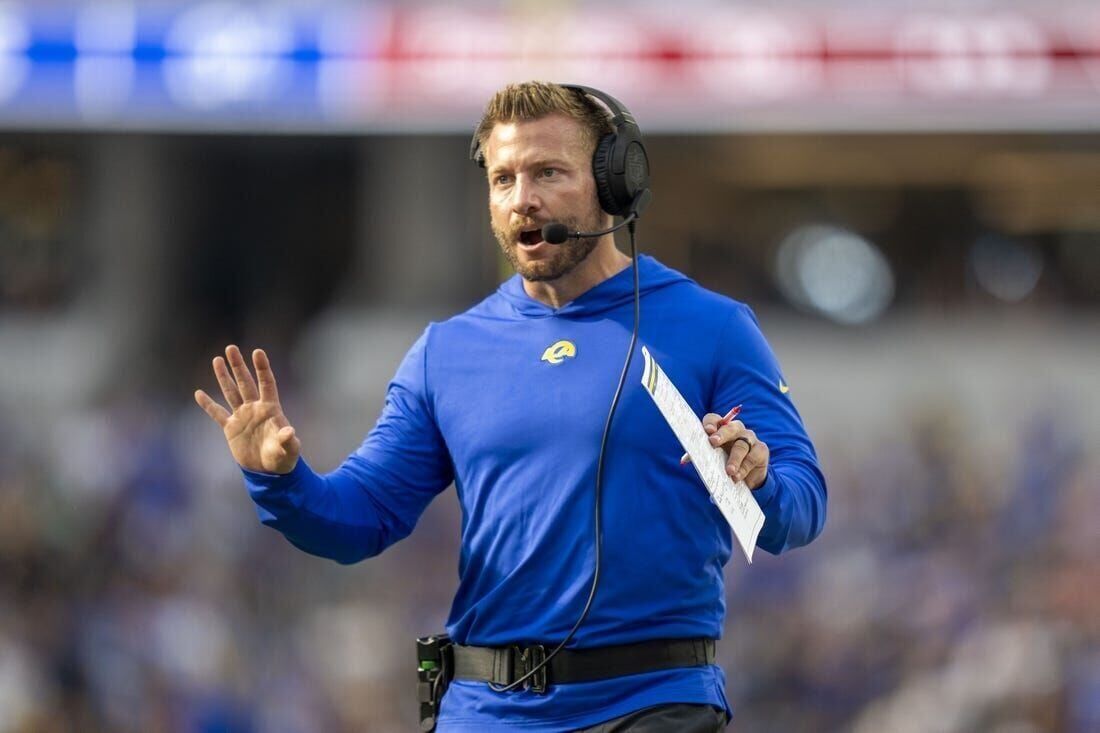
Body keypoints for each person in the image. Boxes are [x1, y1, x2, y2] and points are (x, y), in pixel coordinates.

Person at [194, 81, 827, 732]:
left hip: (653, 703)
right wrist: (278, 478)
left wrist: (757, 479)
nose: (522, 199)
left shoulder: (713, 328)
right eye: (503, 179)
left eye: (548, 172)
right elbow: (356, 520)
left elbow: (803, 506)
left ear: (615, 181)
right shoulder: (447, 352)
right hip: (485, 710)